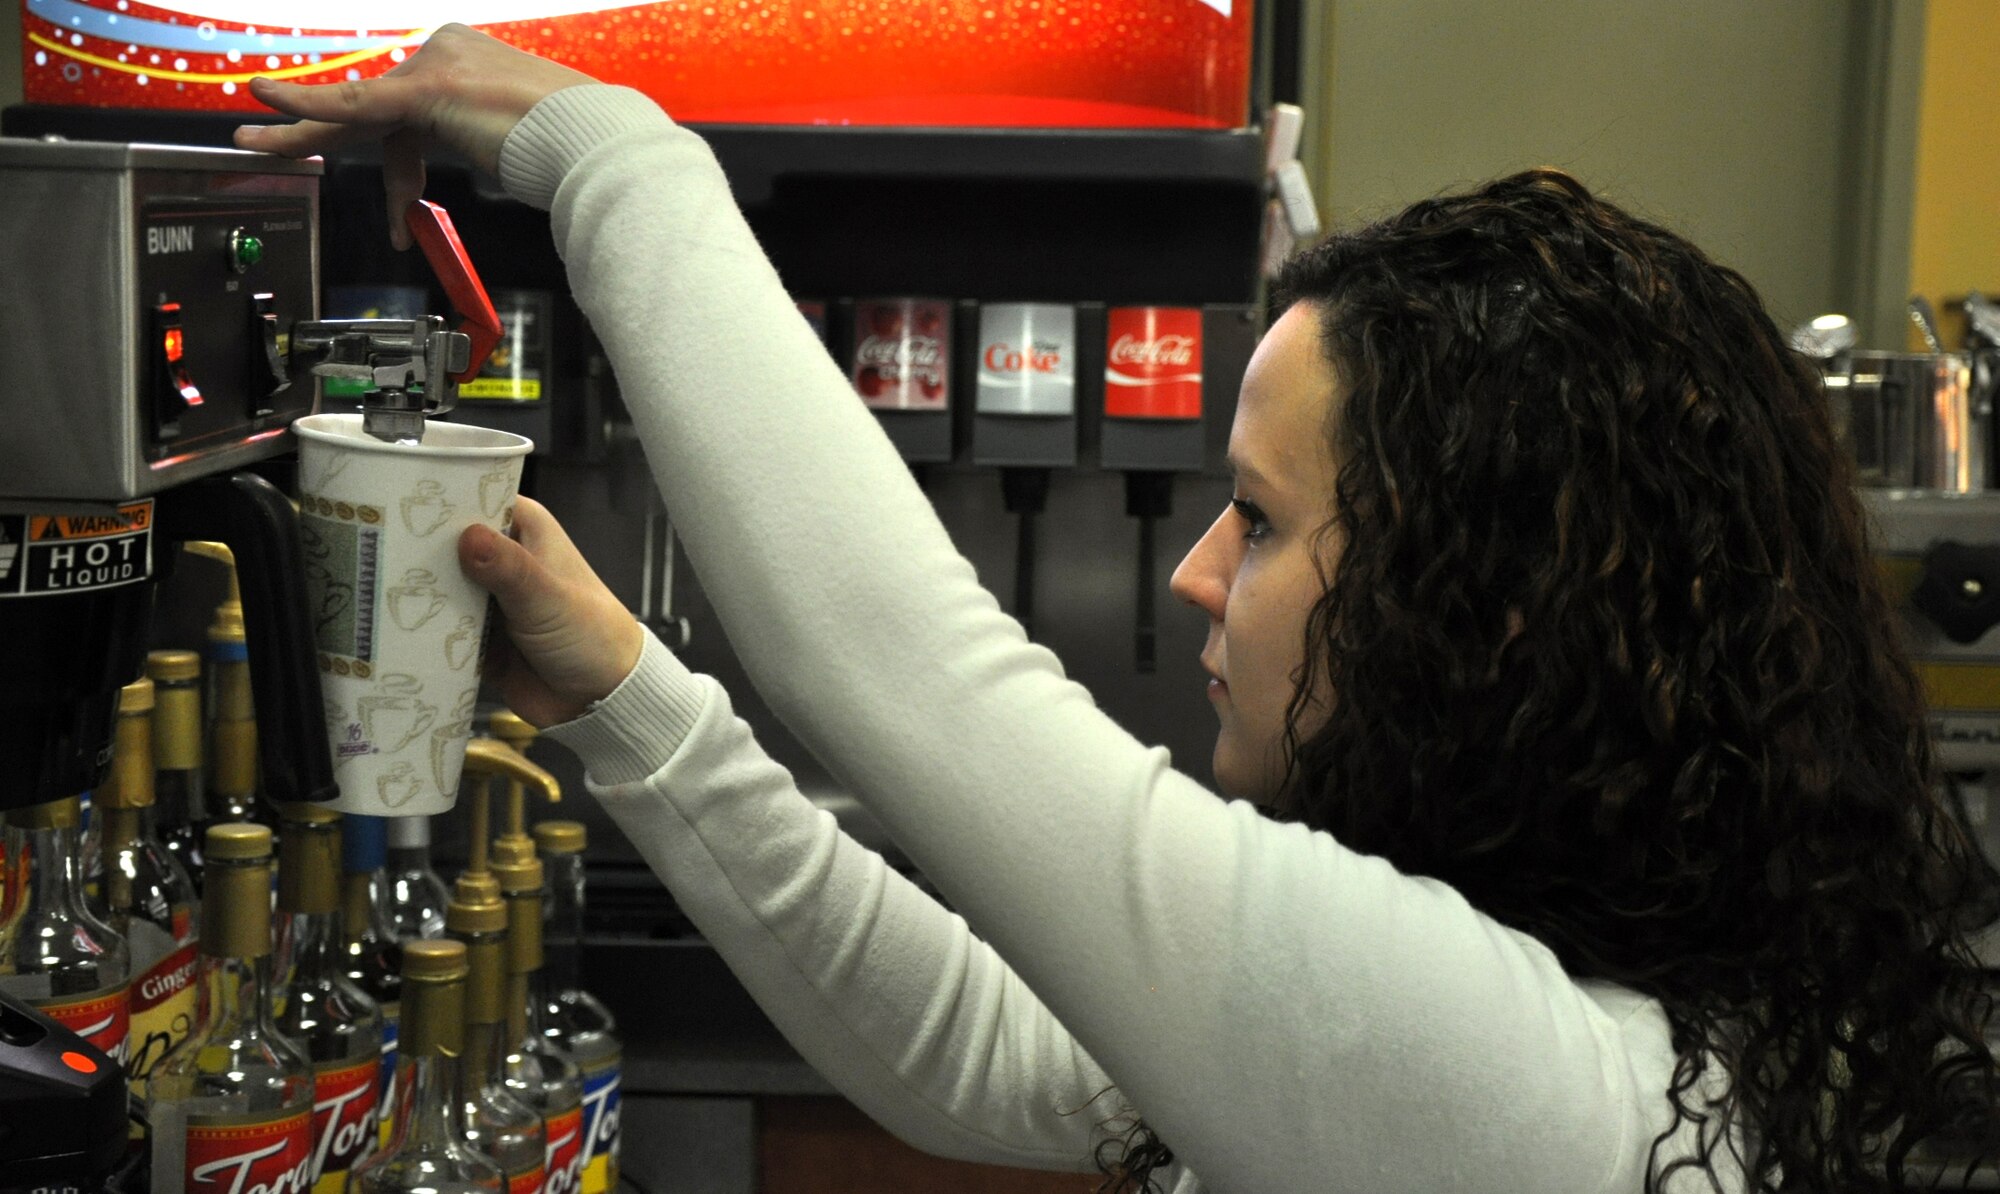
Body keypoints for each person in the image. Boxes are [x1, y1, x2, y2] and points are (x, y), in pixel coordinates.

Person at [237, 25, 2000, 1193]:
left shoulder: (1538, 1097)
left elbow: (909, 676)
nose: (1191, 572)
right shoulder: (1595, 1015)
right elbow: (996, 1046)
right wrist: (629, 692)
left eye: (1259, 518)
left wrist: (607, 149)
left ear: (1497, 611)